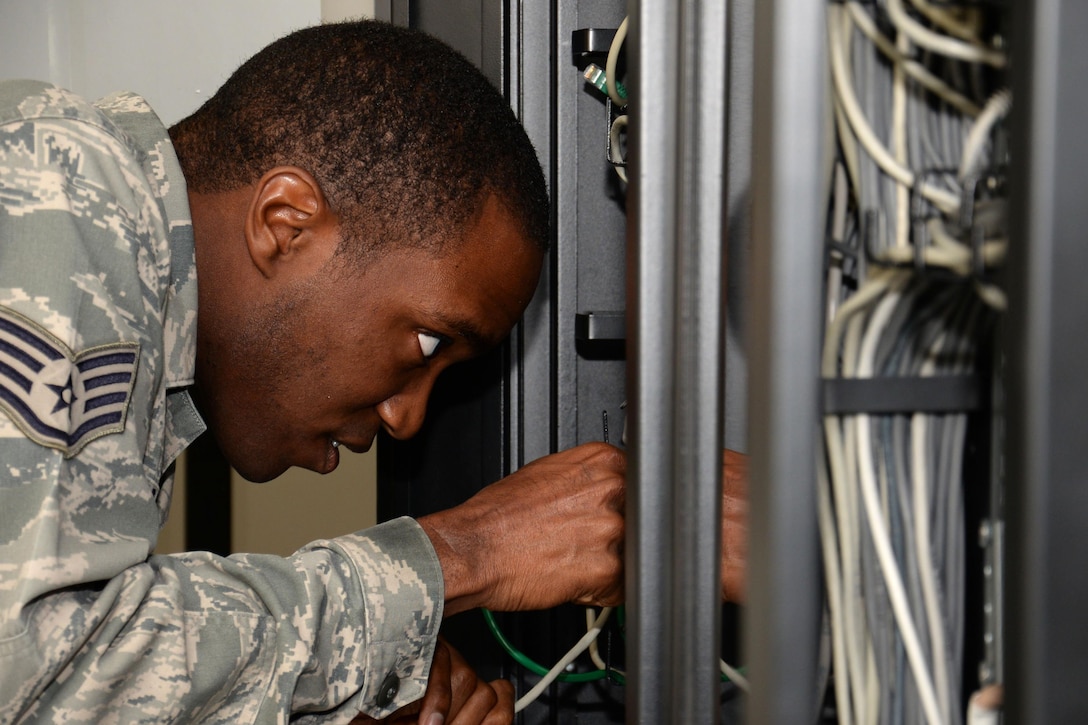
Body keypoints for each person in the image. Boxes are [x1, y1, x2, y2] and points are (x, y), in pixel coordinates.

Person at [0, 20, 625, 724]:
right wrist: (465, 553)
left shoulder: (133, 325)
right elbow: (40, 666)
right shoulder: (60, 189)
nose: (407, 418)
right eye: (425, 344)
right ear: (285, 224)